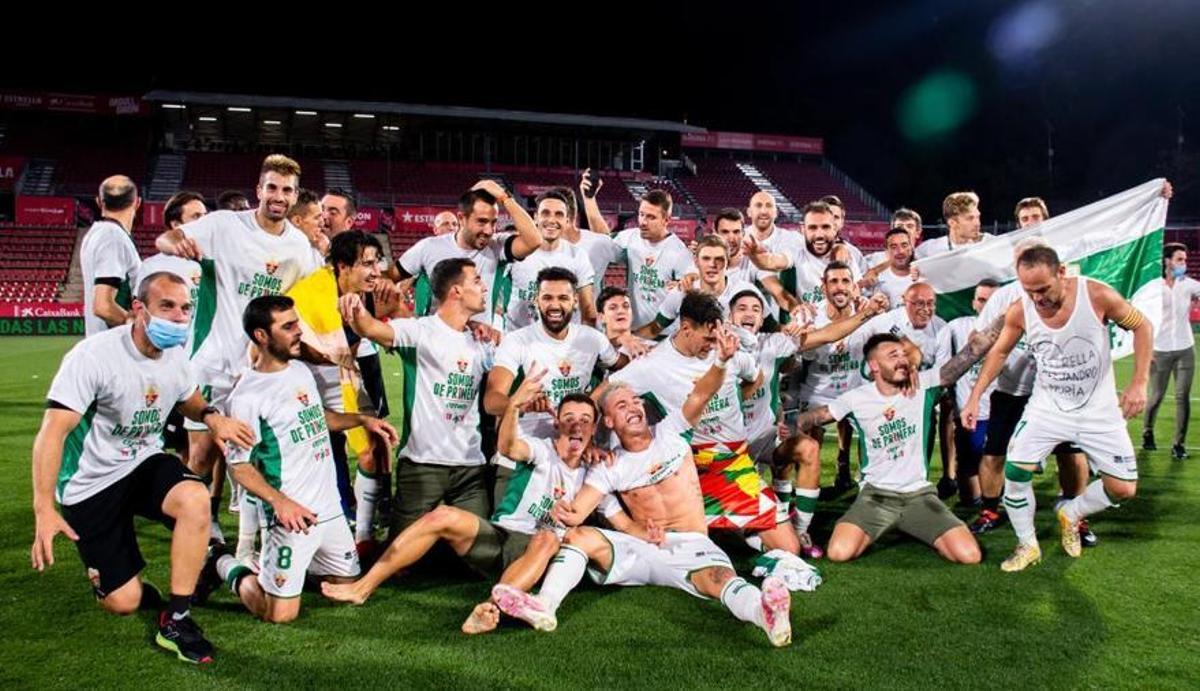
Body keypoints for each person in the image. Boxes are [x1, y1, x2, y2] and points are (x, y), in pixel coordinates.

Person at [493, 327, 793, 647]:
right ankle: (545, 605)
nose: (634, 407)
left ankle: (767, 616)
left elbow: (701, 394)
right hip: (641, 548)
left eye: (635, 401)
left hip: (689, 544)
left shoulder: (672, 432)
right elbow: (575, 514)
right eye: (622, 406)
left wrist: (720, 361)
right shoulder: (610, 466)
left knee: (720, 579)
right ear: (608, 422)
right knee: (578, 536)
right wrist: (563, 510)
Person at [30, 272, 253, 663]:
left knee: (195, 498)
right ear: (138, 309)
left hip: (142, 461)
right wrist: (44, 508)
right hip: (90, 482)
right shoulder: (93, 356)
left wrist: (212, 416)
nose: (178, 317)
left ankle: (178, 617)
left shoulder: (176, 357)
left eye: (184, 308)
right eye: (166, 306)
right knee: (124, 602)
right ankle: (125, 585)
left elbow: (189, 398)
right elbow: (53, 433)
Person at [208, 295, 397, 623]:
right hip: (290, 517)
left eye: (297, 323)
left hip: (330, 510)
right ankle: (222, 564)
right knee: (278, 615)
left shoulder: (298, 370)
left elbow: (318, 416)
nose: (299, 331)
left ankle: (294, 571)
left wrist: (362, 420)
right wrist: (281, 504)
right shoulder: (247, 397)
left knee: (346, 585)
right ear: (261, 336)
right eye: (289, 326)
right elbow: (239, 467)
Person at [961, 246, 1152, 571]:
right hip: (1046, 408)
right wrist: (975, 395)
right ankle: (1027, 544)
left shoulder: (1097, 295)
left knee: (1123, 488)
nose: (1037, 298)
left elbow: (1142, 326)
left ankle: (1072, 513)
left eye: (1043, 289)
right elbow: (999, 352)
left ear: (1061, 272)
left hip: (1098, 411)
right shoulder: (1021, 310)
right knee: (1015, 471)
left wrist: (1138, 382)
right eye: (1029, 290)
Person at [1143, 241, 1200, 460]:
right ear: (1167, 261)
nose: (1183, 264)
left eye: (1185, 260)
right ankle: (1147, 432)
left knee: (1182, 397)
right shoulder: (1153, 287)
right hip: (1160, 350)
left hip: (1186, 349)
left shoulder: (1189, 285)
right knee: (1156, 396)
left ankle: (1179, 443)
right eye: (1179, 259)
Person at [81, 175, 142, 336]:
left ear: (99, 202)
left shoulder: (96, 234)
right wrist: (138, 329)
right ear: (137, 202)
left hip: (103, 345)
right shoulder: (112, 238)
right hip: (114, 347)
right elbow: (103, 306)